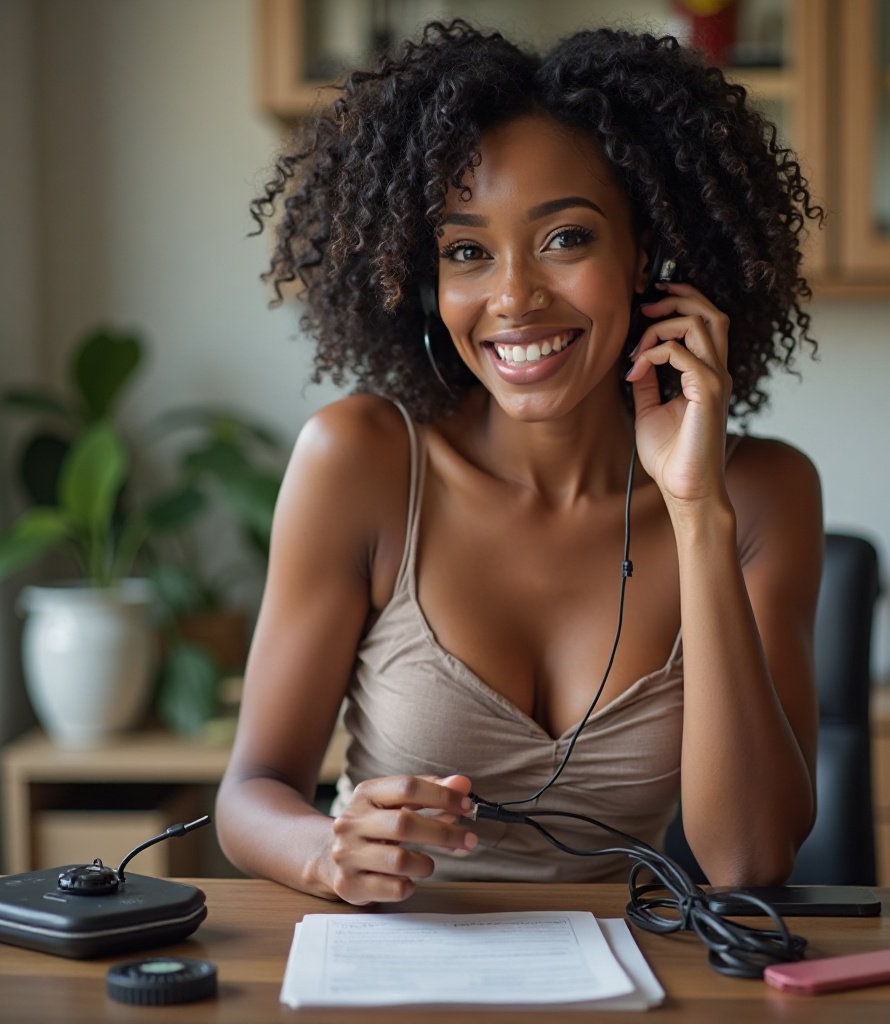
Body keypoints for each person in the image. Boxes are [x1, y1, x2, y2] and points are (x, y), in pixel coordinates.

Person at [216, 20, 825, 907]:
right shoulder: (362, 463)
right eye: (467, 251)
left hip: (620, 977)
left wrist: (695, 509)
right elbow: (249, 793)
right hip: (390, 969)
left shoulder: (763, 492)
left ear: (645, 250)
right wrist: (326, 851)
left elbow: (749, 863)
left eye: (566, 239)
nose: (512, 299)